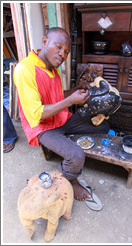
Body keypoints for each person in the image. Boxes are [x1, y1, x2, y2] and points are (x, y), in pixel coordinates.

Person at [14, 27, 110, 201]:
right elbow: (37, 114)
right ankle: (70, 180)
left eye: (65, 51)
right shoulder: (24, 70)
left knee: (103, 126)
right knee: (76, 155)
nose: (62, 54)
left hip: (61, 118)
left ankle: (65, 140)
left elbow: (56, 96)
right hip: (43, 127)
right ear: (44, 42)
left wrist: (73, 91)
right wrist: (71, 101)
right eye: (58, 47)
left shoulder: (52, 67)